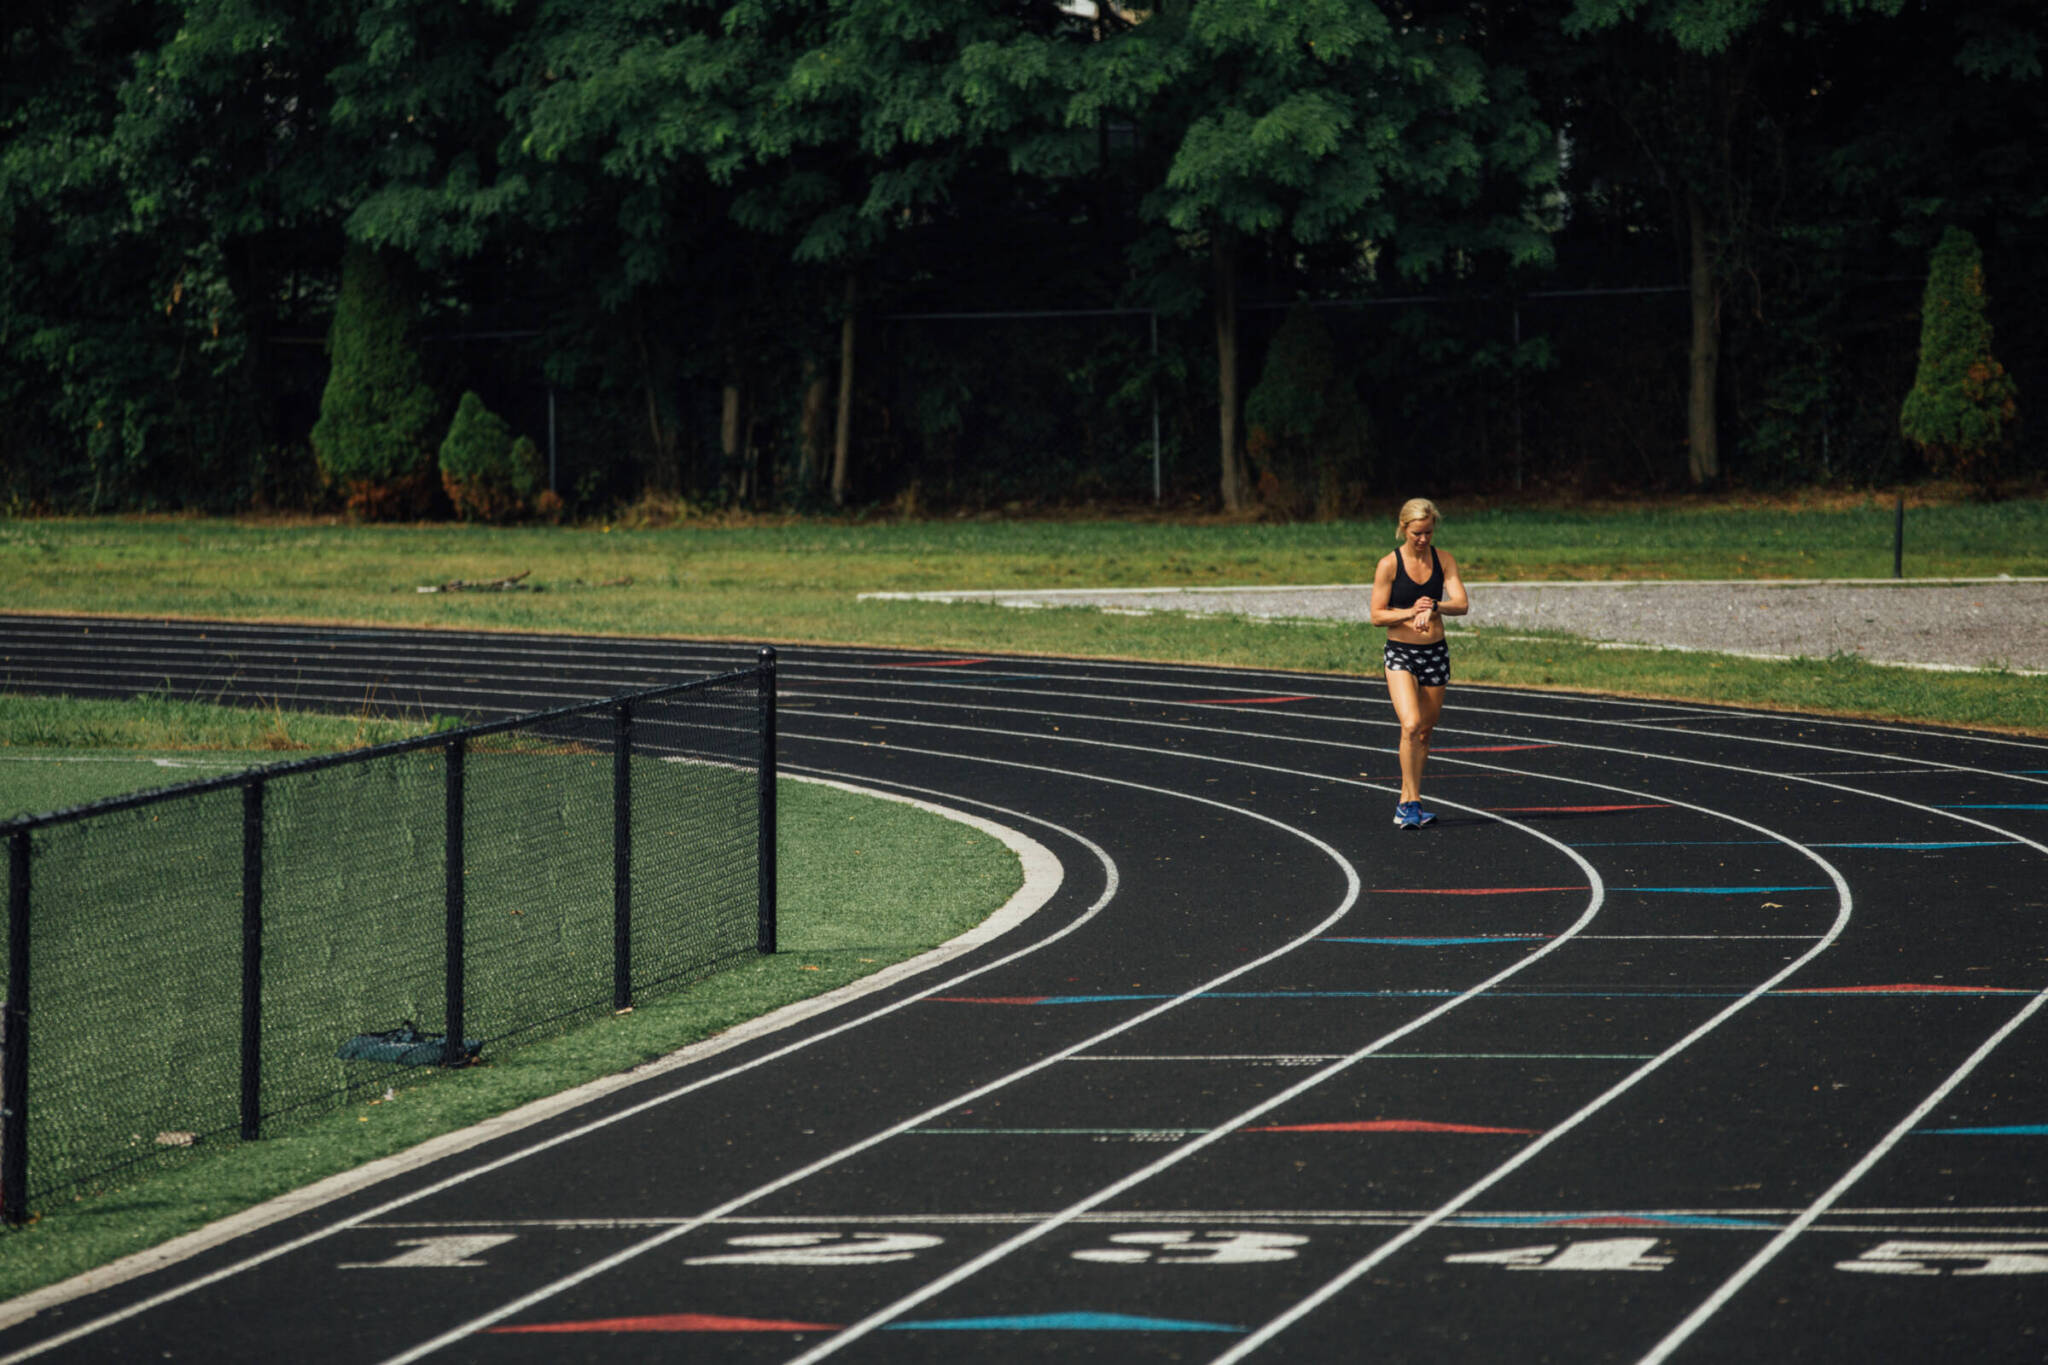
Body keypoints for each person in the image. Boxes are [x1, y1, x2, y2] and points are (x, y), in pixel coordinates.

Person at [1369, 497, 1468, 829]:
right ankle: (1411, 803)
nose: (1423, 539)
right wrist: (1411, 612)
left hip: (1435, 654)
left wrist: (1435, 607)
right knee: (1410, 725)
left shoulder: (1444, 560)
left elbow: (1462, 604)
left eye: (1428, 532)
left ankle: (1407, 801)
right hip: (1401, 654)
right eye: (1417, 534)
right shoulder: (1389, 565)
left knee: (1424, 731)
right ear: (1403, 529)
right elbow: (1377, 615)